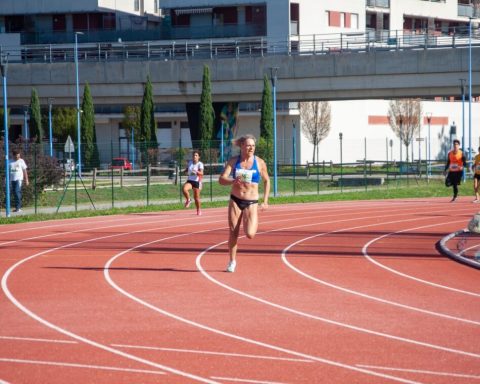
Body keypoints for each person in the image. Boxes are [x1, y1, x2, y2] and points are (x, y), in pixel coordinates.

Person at [218, 134, 270, 273]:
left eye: (253, 145)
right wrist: (232, 181)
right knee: (233, 232)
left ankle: (251, 220)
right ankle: (232, 261)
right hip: (235, 199)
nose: (251, 148)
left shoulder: (259, 162)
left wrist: (265, 201)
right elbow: (221, 179)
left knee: (250, 234)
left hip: (251, 201)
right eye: (248, 145)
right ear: (241, 146)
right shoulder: (234, 161)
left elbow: (267, 181)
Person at [182, 150, 204, 215]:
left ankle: (198, 210)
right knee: (184, 189)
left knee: (196, 198)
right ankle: (188, 200)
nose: (194, 156)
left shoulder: (200, 164)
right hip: (190, 180)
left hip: (197, 181)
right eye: (194, 155)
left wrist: (196, 172)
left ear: (199, 157)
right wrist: (185, 171)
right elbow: (187, 169)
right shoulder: (190, 162)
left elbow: (202, 173)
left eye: (196, 155)